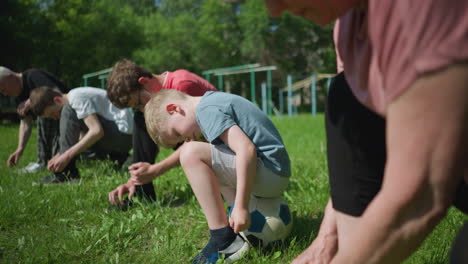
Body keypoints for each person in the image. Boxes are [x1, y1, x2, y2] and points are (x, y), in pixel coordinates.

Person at [263, 0, 468, 263]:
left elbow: (421, 196)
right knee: (344, 97)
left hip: (447, 173)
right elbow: (354, 151)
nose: (274, 10)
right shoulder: (348, 27)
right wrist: (327, 241)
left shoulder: (418, 8)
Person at [141, 89, 291, 263]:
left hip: (270, 172)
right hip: (274, 172)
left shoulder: (206, 110)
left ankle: (223, 239)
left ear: (174, 109)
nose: (185, 139)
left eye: (178, 134)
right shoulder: (211, 102)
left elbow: (246, 149)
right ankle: (233, 223)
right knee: (209, 155)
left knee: (190, 153)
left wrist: (241, 207)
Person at [106, 59, 217, 205]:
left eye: (139, 103)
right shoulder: (155, 99)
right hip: (198, 141)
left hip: (218, 144)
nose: (142, 108)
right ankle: (140, 191)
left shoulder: (180, 85)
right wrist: (133, 181)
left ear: (144, 81)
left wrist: (155, 170)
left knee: (144, 117)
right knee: (141, 118)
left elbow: (196, 141)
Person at [29, 86, 133, 183]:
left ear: (57, 100)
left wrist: (66, 155)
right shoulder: (75, 97)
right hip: (122, 137)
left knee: (68, 110)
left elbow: (97, 131)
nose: (55, 117)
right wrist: (60, 154)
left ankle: (65, 174)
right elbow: (82, 138)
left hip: (122, 135)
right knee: (80, 144)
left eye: (53, 113)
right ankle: (122, 158)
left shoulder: (75, 97)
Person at [0, 66, 69, 173]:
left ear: (10, 77)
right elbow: (25, 123)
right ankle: (47, 160)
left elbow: (56, 93)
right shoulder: (17, 97)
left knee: (43, 111)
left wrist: (31, 101)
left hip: (71, 115)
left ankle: (45, 161)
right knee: (43, 112)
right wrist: (20, 149)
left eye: (3, 88)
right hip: (59, 120)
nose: (4, 93)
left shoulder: (33, 76)